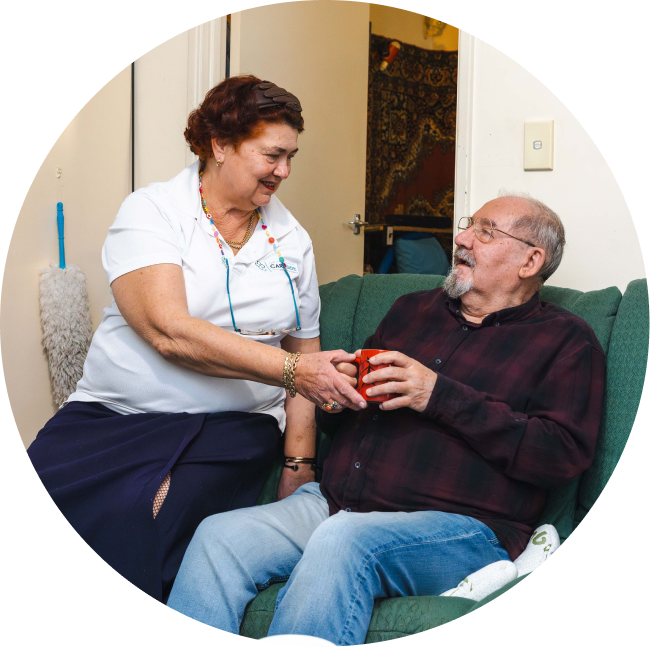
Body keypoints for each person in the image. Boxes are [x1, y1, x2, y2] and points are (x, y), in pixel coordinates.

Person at [167, 194, 606, 644]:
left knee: (344, 540)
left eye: (486, 232)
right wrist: (336, 396)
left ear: (531, 260)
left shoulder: (567, 342)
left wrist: (438, 395)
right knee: (219, 536)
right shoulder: (413, 309)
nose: (462, 238)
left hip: (461, 527)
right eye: (468, 225)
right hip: (336, 502)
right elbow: (347, 414)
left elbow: (560, 456)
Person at [26, 75, 367, 604]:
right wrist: (295, 373)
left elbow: (306, 352)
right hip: (114, 413)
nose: (285, 171)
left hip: (231, 427)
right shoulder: (153, 211)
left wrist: (300, 467)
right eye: (273, 155)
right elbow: (169, 331)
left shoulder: (292, 240)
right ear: (221, 145)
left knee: (149, 511)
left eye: (291, 156)